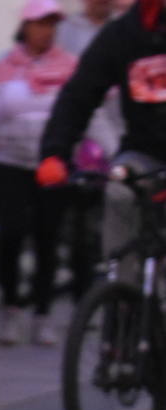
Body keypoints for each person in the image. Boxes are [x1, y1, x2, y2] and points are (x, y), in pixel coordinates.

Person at [0, 0, 76, 347]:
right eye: (40, 23)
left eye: (52, 23)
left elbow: (86, 111)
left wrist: (109, 152)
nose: (46, 30)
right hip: (11, 163)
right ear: (26, 26)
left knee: (47, 237)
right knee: (10, 235)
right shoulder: (3, 67)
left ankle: (42, 314)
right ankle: (10, 308)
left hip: (52, 165)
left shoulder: (69, 66)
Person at [39, 0, 166, 304]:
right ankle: (121, 301)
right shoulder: (122, 34)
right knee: (119, 189)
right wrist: (55, 152)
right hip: (143, 154)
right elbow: (79, 94)